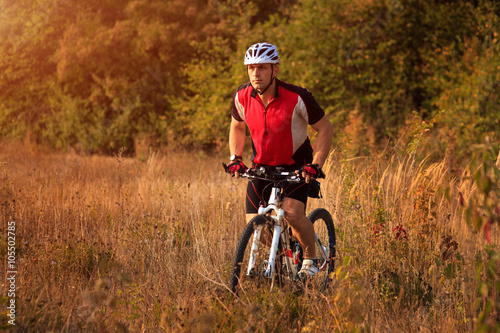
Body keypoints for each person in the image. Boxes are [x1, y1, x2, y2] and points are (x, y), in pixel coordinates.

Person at [226, 42, 334, 279]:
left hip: (297, 166)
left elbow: (325, 128)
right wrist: (235, 157)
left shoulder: (298, 97)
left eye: (262, 67)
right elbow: (236, 126)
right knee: (257, 228)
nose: (256, 73)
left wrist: (315, 165)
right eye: (251, 68)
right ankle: (289, 247)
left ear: (275, 70)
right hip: (262, 167)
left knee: (293, 215)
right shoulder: (242, 96)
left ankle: (311, 258)